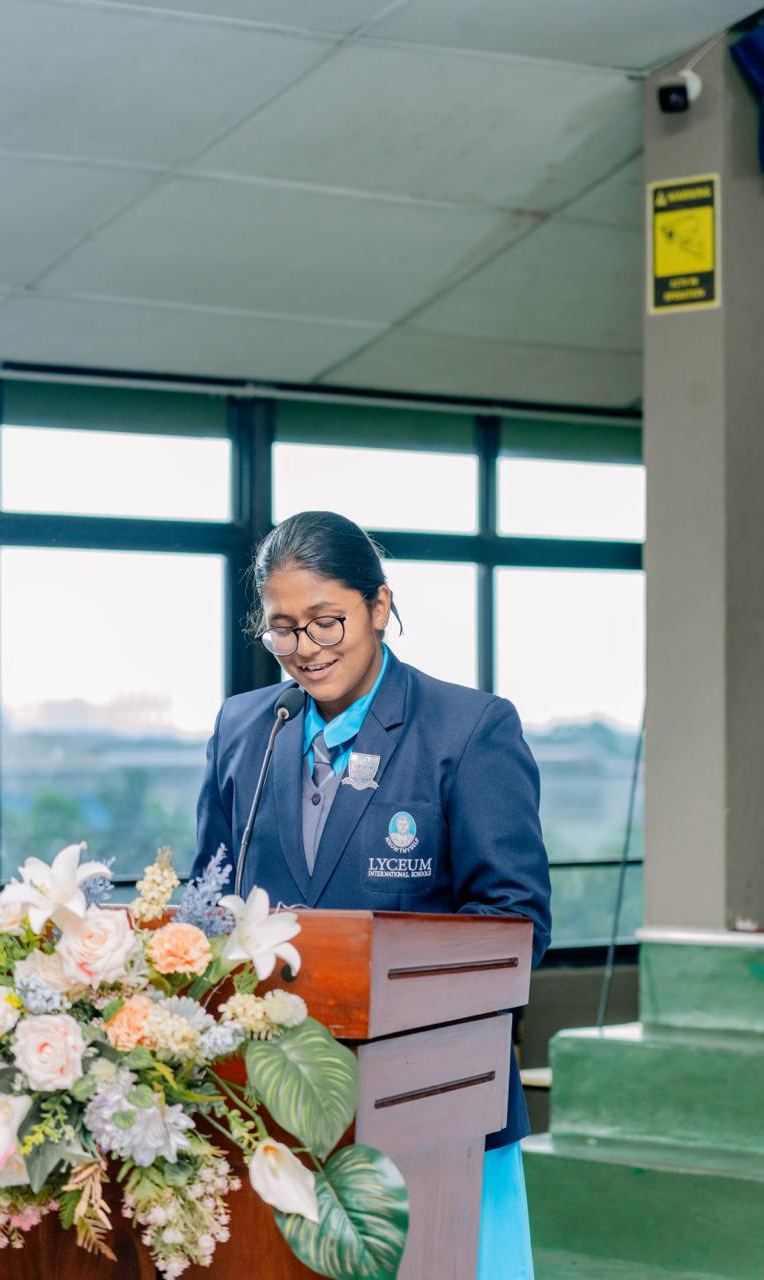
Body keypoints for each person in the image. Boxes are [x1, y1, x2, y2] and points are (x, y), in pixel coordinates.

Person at [192, 510, 551, 1280]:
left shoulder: (468, 728)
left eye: (327, 622)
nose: (306, 651)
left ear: (379, 607)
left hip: (432, 1102)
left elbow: (514, 924)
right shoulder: (243, 728)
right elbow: (206, 899)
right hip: (265, 1105)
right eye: (282, 630)